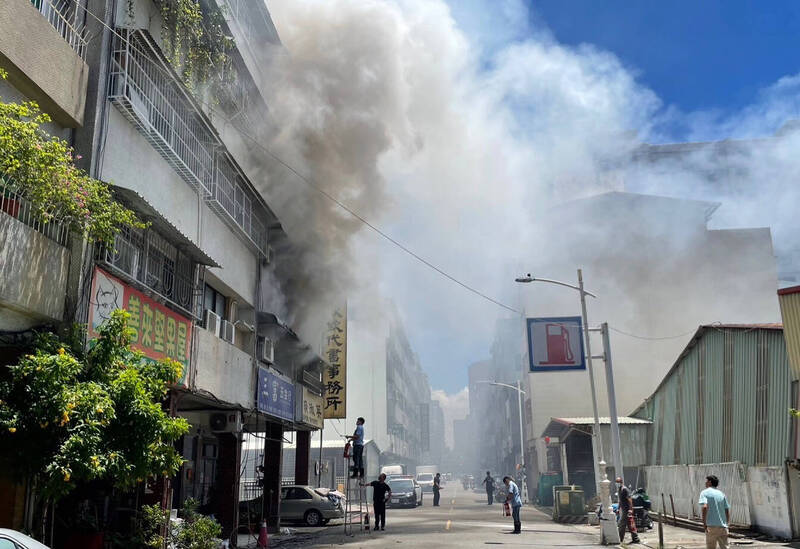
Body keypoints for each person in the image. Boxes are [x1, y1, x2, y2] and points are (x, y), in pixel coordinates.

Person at [699, 475, 730, 549]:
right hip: (723, 526)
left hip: (711, 526)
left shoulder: (704, 493)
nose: (705, 483)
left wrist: (704, 523)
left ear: (709, 482)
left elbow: (705, 507)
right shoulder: (721, 494)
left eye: (706, 481)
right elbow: (727, 509)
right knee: (725, 547)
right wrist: (727, 523)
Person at [616, 477, 641, 544]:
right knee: (630, 524)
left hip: (627, 510)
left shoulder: (625, 489)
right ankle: (635, 538)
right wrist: (618, 508)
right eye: (616, 482)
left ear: (621, 482)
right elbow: (620, 501)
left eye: (618, 482)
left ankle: (620, 539)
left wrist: (630, 509)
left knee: (622, 524)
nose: (617, 484)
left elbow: (630, 500)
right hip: (623, 509)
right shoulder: (619, 489)